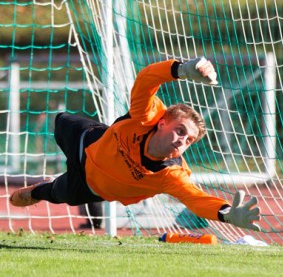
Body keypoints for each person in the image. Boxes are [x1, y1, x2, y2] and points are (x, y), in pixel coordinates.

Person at [9, 58, 261, 232]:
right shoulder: (145, 116)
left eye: (189, 140)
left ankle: (37, 191)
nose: (183, 140)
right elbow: (146, 79)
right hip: (87, 141)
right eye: (180, 130)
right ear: (162, 123)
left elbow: (197, 199)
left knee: (56, 194)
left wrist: (226, 213)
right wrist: (181, 69)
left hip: (90, 187)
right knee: (61, 121)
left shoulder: (171, 175)